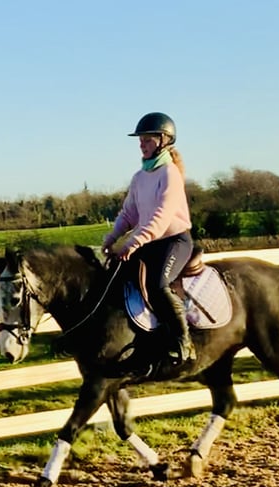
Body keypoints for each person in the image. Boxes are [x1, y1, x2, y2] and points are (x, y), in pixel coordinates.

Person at [102, 112, 196, 365]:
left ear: (164, 140)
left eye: (147, 140)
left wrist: (132, 243)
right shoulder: (139, 177)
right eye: (140, 140)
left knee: (157, 285)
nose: (141, 144)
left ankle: (183, 341)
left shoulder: (170, 174)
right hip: (149, 241)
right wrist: (110, 238)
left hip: (174, 241)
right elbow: (129, 213)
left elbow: (161, 217)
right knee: (117, 277)